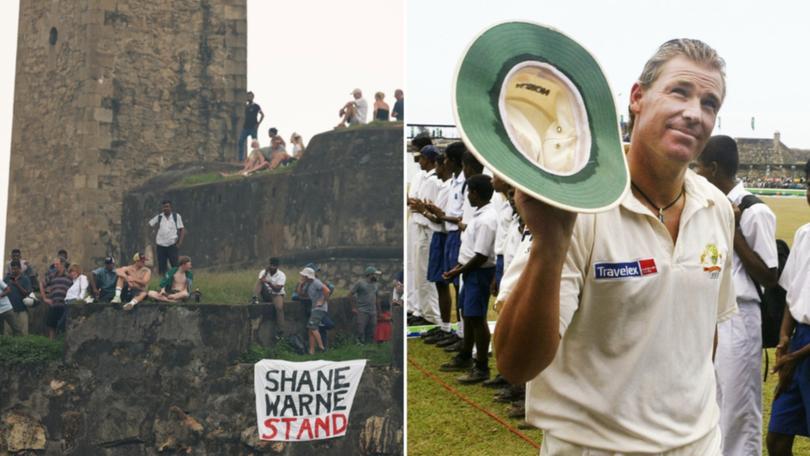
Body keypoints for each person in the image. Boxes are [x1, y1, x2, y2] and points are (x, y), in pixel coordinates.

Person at [495, 39, 734, 453]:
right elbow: (516, 364)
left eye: (709, 103)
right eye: (680, 91)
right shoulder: (580, 204)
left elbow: (701, 336)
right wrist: (550, 244)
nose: (694, 113)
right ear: (638, 98)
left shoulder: (715, 207)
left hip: (701, 444)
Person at [695, 134, 778, 455]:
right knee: (713, 399)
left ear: (714, 169)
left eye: (699, 168)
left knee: (739, 405)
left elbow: (769, 275)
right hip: (712, 312)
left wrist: (733, 228)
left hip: (741, 316)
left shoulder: (753, 210)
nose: (696, 174)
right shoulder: (713, 205)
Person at [766, 159, 810, 456]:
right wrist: (783, 342)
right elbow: (791, 295)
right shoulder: (804, 233)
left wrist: (793, 356)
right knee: (777, 436)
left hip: (803, 351)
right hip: (798, 342)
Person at [442, 174, 498, 384]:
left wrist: (457, 271)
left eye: (469, 193)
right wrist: (457, 268)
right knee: (467, 313)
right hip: (469, 270)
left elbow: (481, 255)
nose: (467, 197)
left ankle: (481, 366)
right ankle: (466, 354)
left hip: (478, 272)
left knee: (477, 318)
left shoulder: (486, 219)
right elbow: (471, 250)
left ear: (474, 193)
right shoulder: (480, 215)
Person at [297, 267, 329, 354]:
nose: (302, 277)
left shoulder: (316, 282)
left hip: (320, 308)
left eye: (303, 276)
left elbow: (327, 290)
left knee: (312, 327)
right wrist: (301, 284)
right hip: (314, 308)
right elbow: (300, 294)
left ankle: (321, 346)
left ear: (307, 276)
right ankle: (312, 351)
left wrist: (322, 301)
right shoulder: (307, 284)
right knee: (310, 330)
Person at [148, 200, 185, 276]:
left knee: (175, 265)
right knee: (162, 266)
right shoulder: (159, 217)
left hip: (172, 245)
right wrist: (152, 237)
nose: (165, 208)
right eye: (164, 207)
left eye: (167, 206)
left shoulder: (176, 216)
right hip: (161, 245)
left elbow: (181, 229)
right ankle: (163, 283)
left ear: (171, 207)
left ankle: (176, 281)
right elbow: (149, 225)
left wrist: (179, 243)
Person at [42, 256, 73, 339]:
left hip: (65, 305)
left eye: (57, 264)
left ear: (62, 264)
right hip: (54, 304)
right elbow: (41, 284)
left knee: (64, 326)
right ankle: (51, 344)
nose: (55, 266)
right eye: (54, 264)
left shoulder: (69, 276)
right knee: (52, 326)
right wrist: (45, 298)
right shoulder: (52, 275)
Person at [253, 257, 286, 333]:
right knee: (259, 281)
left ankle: (281, 329)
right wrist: (265, 273)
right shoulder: (264, 272)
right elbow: (261, 281)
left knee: (279, 308)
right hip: (266, 293)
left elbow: (277, 289)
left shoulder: (281, 275)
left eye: (274, 266)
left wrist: (268, 282)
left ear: (277, 266)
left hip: (277, 294)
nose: (272, 267)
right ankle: (254, 298)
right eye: (271, 265)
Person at [350, 266, 381, 344]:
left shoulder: (376, 284)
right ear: (370, 274)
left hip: (373, 311)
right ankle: (359, 344)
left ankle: (369, 344)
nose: (376, 276)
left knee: (372, 328)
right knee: (361, 329)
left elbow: (377, 297)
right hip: (362, 310)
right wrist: (353, 307)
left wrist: (379, 310)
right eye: (375, 274)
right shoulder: (360, 283)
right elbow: (350, 294)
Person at [2, 260, 32, 335]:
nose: (13, 271)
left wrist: (17, 284)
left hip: (22, 310)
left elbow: (27, 294)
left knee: (23, 334)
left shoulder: (25, 279)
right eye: (12, 269)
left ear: (20, 268)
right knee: (8, 334)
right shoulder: (7, 278)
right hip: (9, 311)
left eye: (15, 269)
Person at [237, 91, 264, 162]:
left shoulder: (256, 106)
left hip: (253, 127)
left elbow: (262, 115)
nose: (248, 98)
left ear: (252, 97)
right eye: (247, 96)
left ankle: (257, 159)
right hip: (245, 127)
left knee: (255, 144)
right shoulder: (245, 106)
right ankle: (240, 159)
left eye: (250, 96)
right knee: (240, 141)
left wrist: (258, 123)